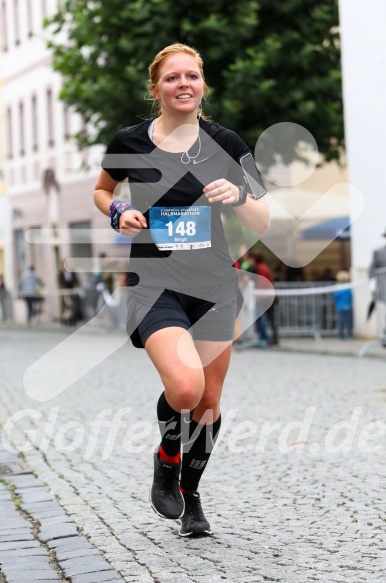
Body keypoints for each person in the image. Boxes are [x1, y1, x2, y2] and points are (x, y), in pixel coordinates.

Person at [94, 43, 269, 537]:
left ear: (202, 85)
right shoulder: (128, 141)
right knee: (186, 388)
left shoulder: (229, 142)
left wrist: (237, 195)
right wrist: (116, 212)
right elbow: (102, 189)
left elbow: (264, 211)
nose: (183, 84)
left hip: (215, 282)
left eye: (192, 76)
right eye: (172, 78)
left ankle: (191, 497)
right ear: (157, 89)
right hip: (156, 284)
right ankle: (167, 458)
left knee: (209, 402)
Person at [58, 260, 83, 325]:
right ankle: (65, 319)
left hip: (73, 291)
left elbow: (76, 280)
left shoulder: (72, 272)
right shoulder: (61, 273)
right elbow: (61, 282)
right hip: (65, 292)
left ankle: (74, 318)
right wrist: (64, 289)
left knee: (74, 304)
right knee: (66, 305)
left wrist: (77, 287)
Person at [333, 270, 353, 340]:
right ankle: (349, 334)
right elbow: (351, 295)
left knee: (341, 321)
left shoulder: (337, 287)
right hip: (349, 306)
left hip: (340, 306)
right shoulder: (349, 286)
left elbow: (335, 296)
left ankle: (341, 335)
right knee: (349, 322)